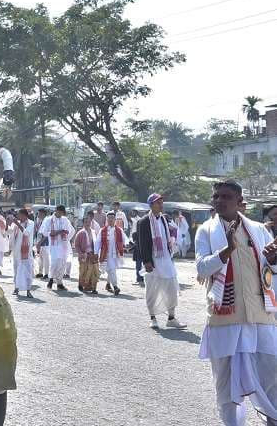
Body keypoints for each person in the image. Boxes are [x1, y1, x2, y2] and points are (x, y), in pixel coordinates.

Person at [196, 180, 277, 425]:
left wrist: (273, 261)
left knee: (272, 373)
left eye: (226, 197)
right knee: (226, 382)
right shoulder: (206, 231)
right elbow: (201, 267)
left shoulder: (259, 230)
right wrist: (226, 251)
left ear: (239, 201)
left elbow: (269, 272)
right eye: (216, 196)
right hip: (225, 317)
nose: (219, 200)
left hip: (260, 315)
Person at [136, 193, 185, 329]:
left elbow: (170, 234)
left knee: (171, 287)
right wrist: (146, 261)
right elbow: (142, 243)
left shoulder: (164, 219)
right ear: (151, 205)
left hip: (166, 258)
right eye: (158, 203)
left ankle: (171, 317)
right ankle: (153, 317)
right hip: (153, 261)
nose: (160, 205)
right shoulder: (144, 222)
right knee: (152, 290)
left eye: (161, 202)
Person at [41, 205, 74, 291]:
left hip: (63, 245)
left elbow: (71, 231)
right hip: (54, 245)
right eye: (59, 212)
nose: (60, 214)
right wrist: (54, 233)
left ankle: (59, 282)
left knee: (62, 263)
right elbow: (44, 232)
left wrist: (66, 239)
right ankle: (51, 279)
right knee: (54, 262)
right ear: (56, 210)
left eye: (62, 213)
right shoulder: (48, 220)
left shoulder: (65, 220)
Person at [98, 211, 125, 296]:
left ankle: (111, 285)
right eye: (109, 218)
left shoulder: (119, 230)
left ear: (115, 219)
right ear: (107, 219)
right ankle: (114, 286)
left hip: (115, 253)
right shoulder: (102, 230)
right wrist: (95, 252)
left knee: (111, 269)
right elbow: (98, 242)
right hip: (105, 253)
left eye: (112, 218)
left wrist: (128, 244)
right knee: (109, 269)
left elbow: (124, 239)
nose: (110, 220)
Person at [11, 209, 35, 297]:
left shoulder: (31, 223)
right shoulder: (16, 224)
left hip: (26, 252)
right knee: (16, 270)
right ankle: (16, 288)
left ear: (25, 215)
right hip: (17, 252)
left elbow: (26, 233)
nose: (18, 217)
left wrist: (17, 223)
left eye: (19, 215)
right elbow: (10, 234)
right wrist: (8, 223)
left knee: (27, 271)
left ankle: (28, 290)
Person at [74, 215, 99, 294]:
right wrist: (81, 253)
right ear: (83, 223)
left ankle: (93, 287)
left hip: (93, 256)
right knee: (83, 272)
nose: (88, 223)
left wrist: (96, 253)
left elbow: (97, 244)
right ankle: (82, 285)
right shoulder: (80, 233)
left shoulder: (94, 232)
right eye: (86, 222)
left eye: (89, 222)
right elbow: (76, 245)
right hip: (84, 256)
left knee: (94, 272)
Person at [34, 208, 50, 280]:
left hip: (45, 243)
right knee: (40, 259)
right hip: (39, 241)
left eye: (39, 213)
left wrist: (40, 243)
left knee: (46, 259)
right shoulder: (40, 221)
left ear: (43, 213)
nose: (38, 215)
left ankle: (46, 273)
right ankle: (40, 272)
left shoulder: (47, 221)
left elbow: (46, 234)